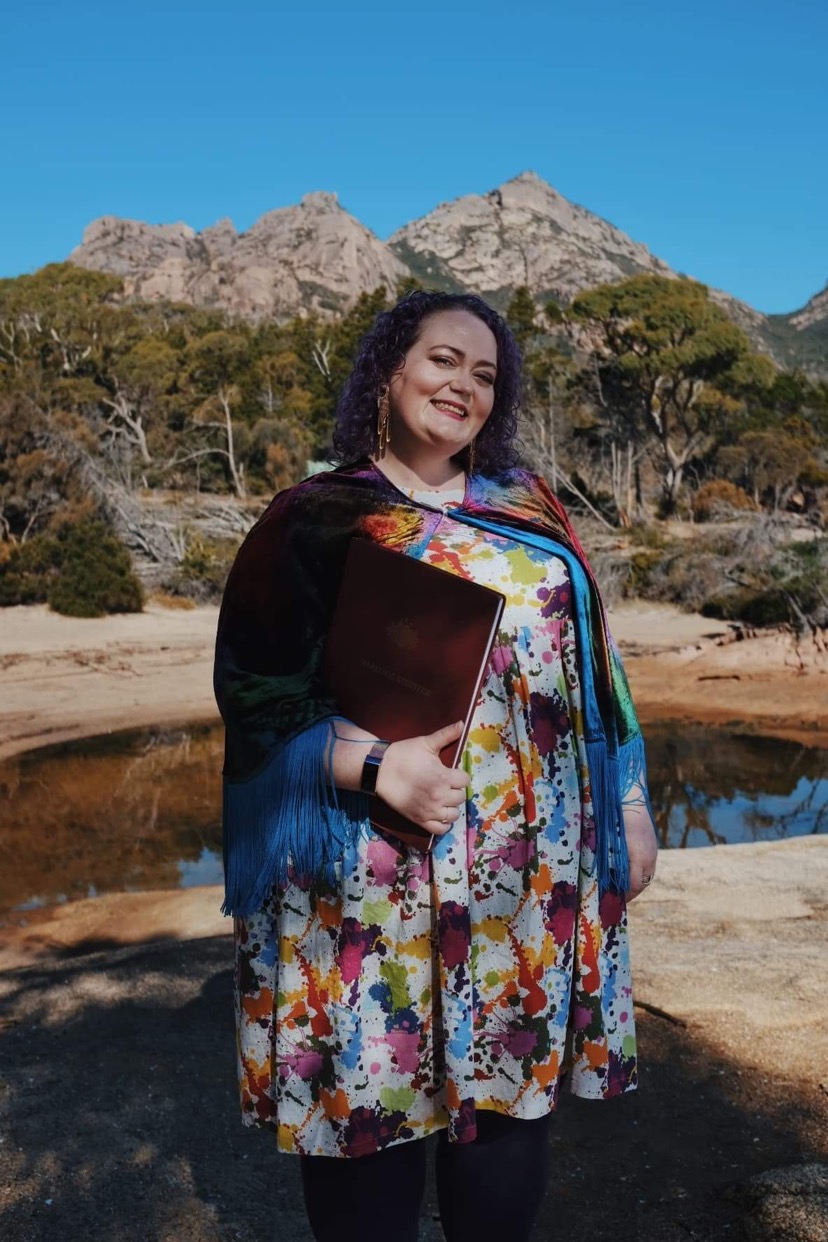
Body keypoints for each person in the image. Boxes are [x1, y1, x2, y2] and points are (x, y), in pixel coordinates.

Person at [213, 290, 658, 1242]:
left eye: (486, 373)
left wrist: (628, 800)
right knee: (368, 1122)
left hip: (522, 883)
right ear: (389, 369)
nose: (464, 385)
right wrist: (374, 768)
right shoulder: (316, 518)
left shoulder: (530, 509)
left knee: (502, 1132)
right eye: (443, 360)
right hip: (365, 883)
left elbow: (599, 667)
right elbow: (255, 692)